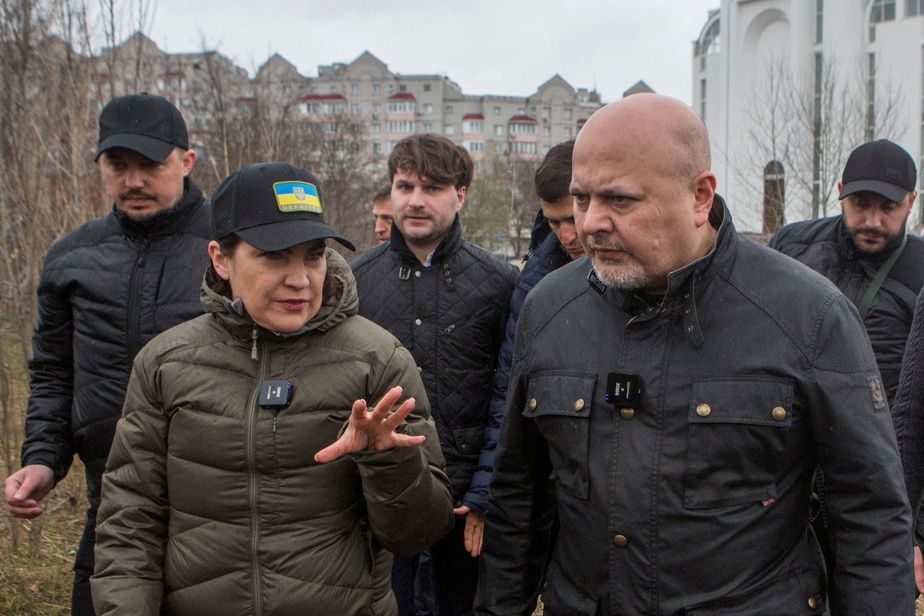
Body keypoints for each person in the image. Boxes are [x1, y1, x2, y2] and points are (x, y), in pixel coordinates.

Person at [476, 94, 914, 615]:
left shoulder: (809, 315)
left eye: (620, 200)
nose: (590, 223)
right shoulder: (549, 309)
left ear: (700, 196)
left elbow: (869, 513)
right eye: (582, 198)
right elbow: (518, 499)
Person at [91, 162, 454, 616]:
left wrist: (388, 461)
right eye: (274, 256)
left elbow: (418, 533)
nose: (300, 279)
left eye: (313, 256)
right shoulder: (166, 363)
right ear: (221, 259)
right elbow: (129, 523)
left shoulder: (377, 360)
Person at [4, 93, 210, 616]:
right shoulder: (71, 258)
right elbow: (53, 372)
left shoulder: (230, 249)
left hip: (214, 506)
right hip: (110, 499)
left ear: (187, 161)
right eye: (118, 165)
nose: (133, 180)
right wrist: (43, 459)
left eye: (150, 164)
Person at [351, 133, 517, 616]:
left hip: (465, 507)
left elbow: (508, 398)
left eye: (433, 188)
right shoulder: (356, 281)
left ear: (460, 195)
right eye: (405, 187)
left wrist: (485, 491)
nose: (416, 201)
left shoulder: (500, 284)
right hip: (381, 497)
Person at [481, 139, 579, 613]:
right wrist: (485, 489)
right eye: (554, 222)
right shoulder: (539, 277)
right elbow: (509, 388)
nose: (568, 235)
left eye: (573, 218)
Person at [770, 139, 924, 406]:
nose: (872, 221)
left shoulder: (919, 270)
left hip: (882, 431)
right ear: (840, 193)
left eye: (888, 207)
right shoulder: (790, 246)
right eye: (860, 204)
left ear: (911, 201)